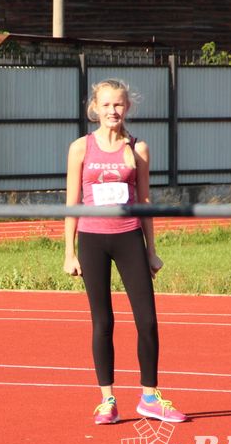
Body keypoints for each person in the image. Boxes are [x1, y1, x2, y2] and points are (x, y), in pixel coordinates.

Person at [63, 79, 186, 425]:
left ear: (127, 108)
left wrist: (151, 251)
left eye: (118, 105)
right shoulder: (80, 148)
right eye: (105, 105)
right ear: (94, 108)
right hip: (92, 240)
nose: (112, 111)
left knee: (147, 320)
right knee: (103, 321)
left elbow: (145, 201)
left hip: (129, 237)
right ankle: (107, 400)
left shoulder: (138, 148)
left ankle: (149, 396)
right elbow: (72, 203)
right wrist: (68, 253)